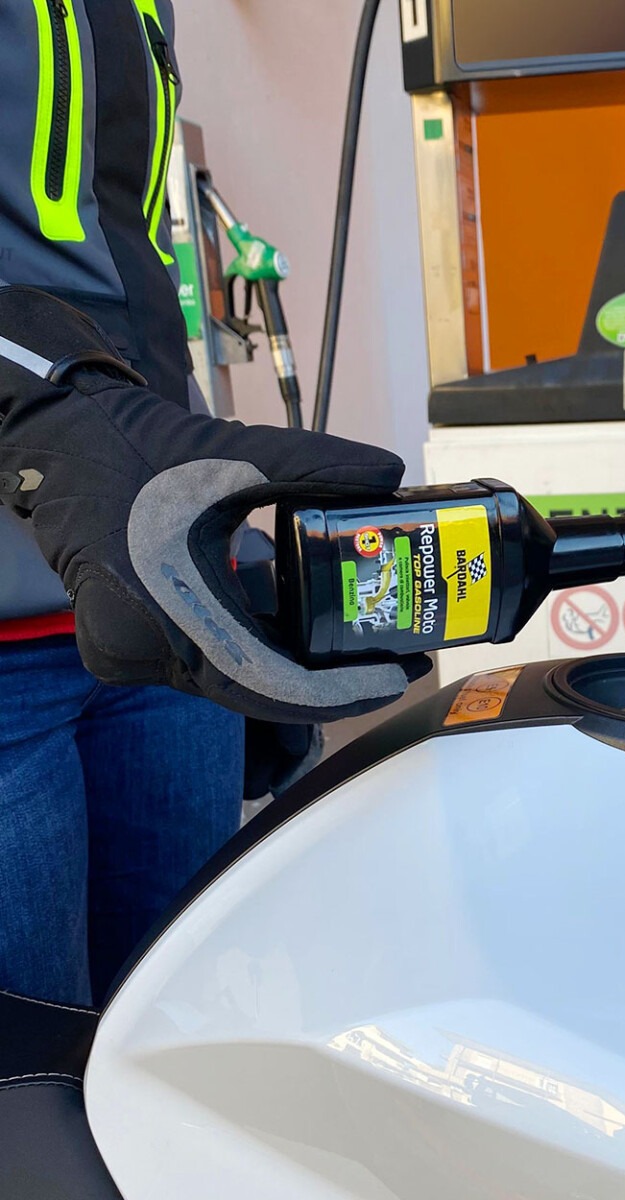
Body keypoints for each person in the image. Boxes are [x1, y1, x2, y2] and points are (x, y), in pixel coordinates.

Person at [0, 0, 423, 1008]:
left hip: (159, 606)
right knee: (33, 1074)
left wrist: (224, 544)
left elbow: (123, 279)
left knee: (173, 1022)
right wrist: (45, 400)